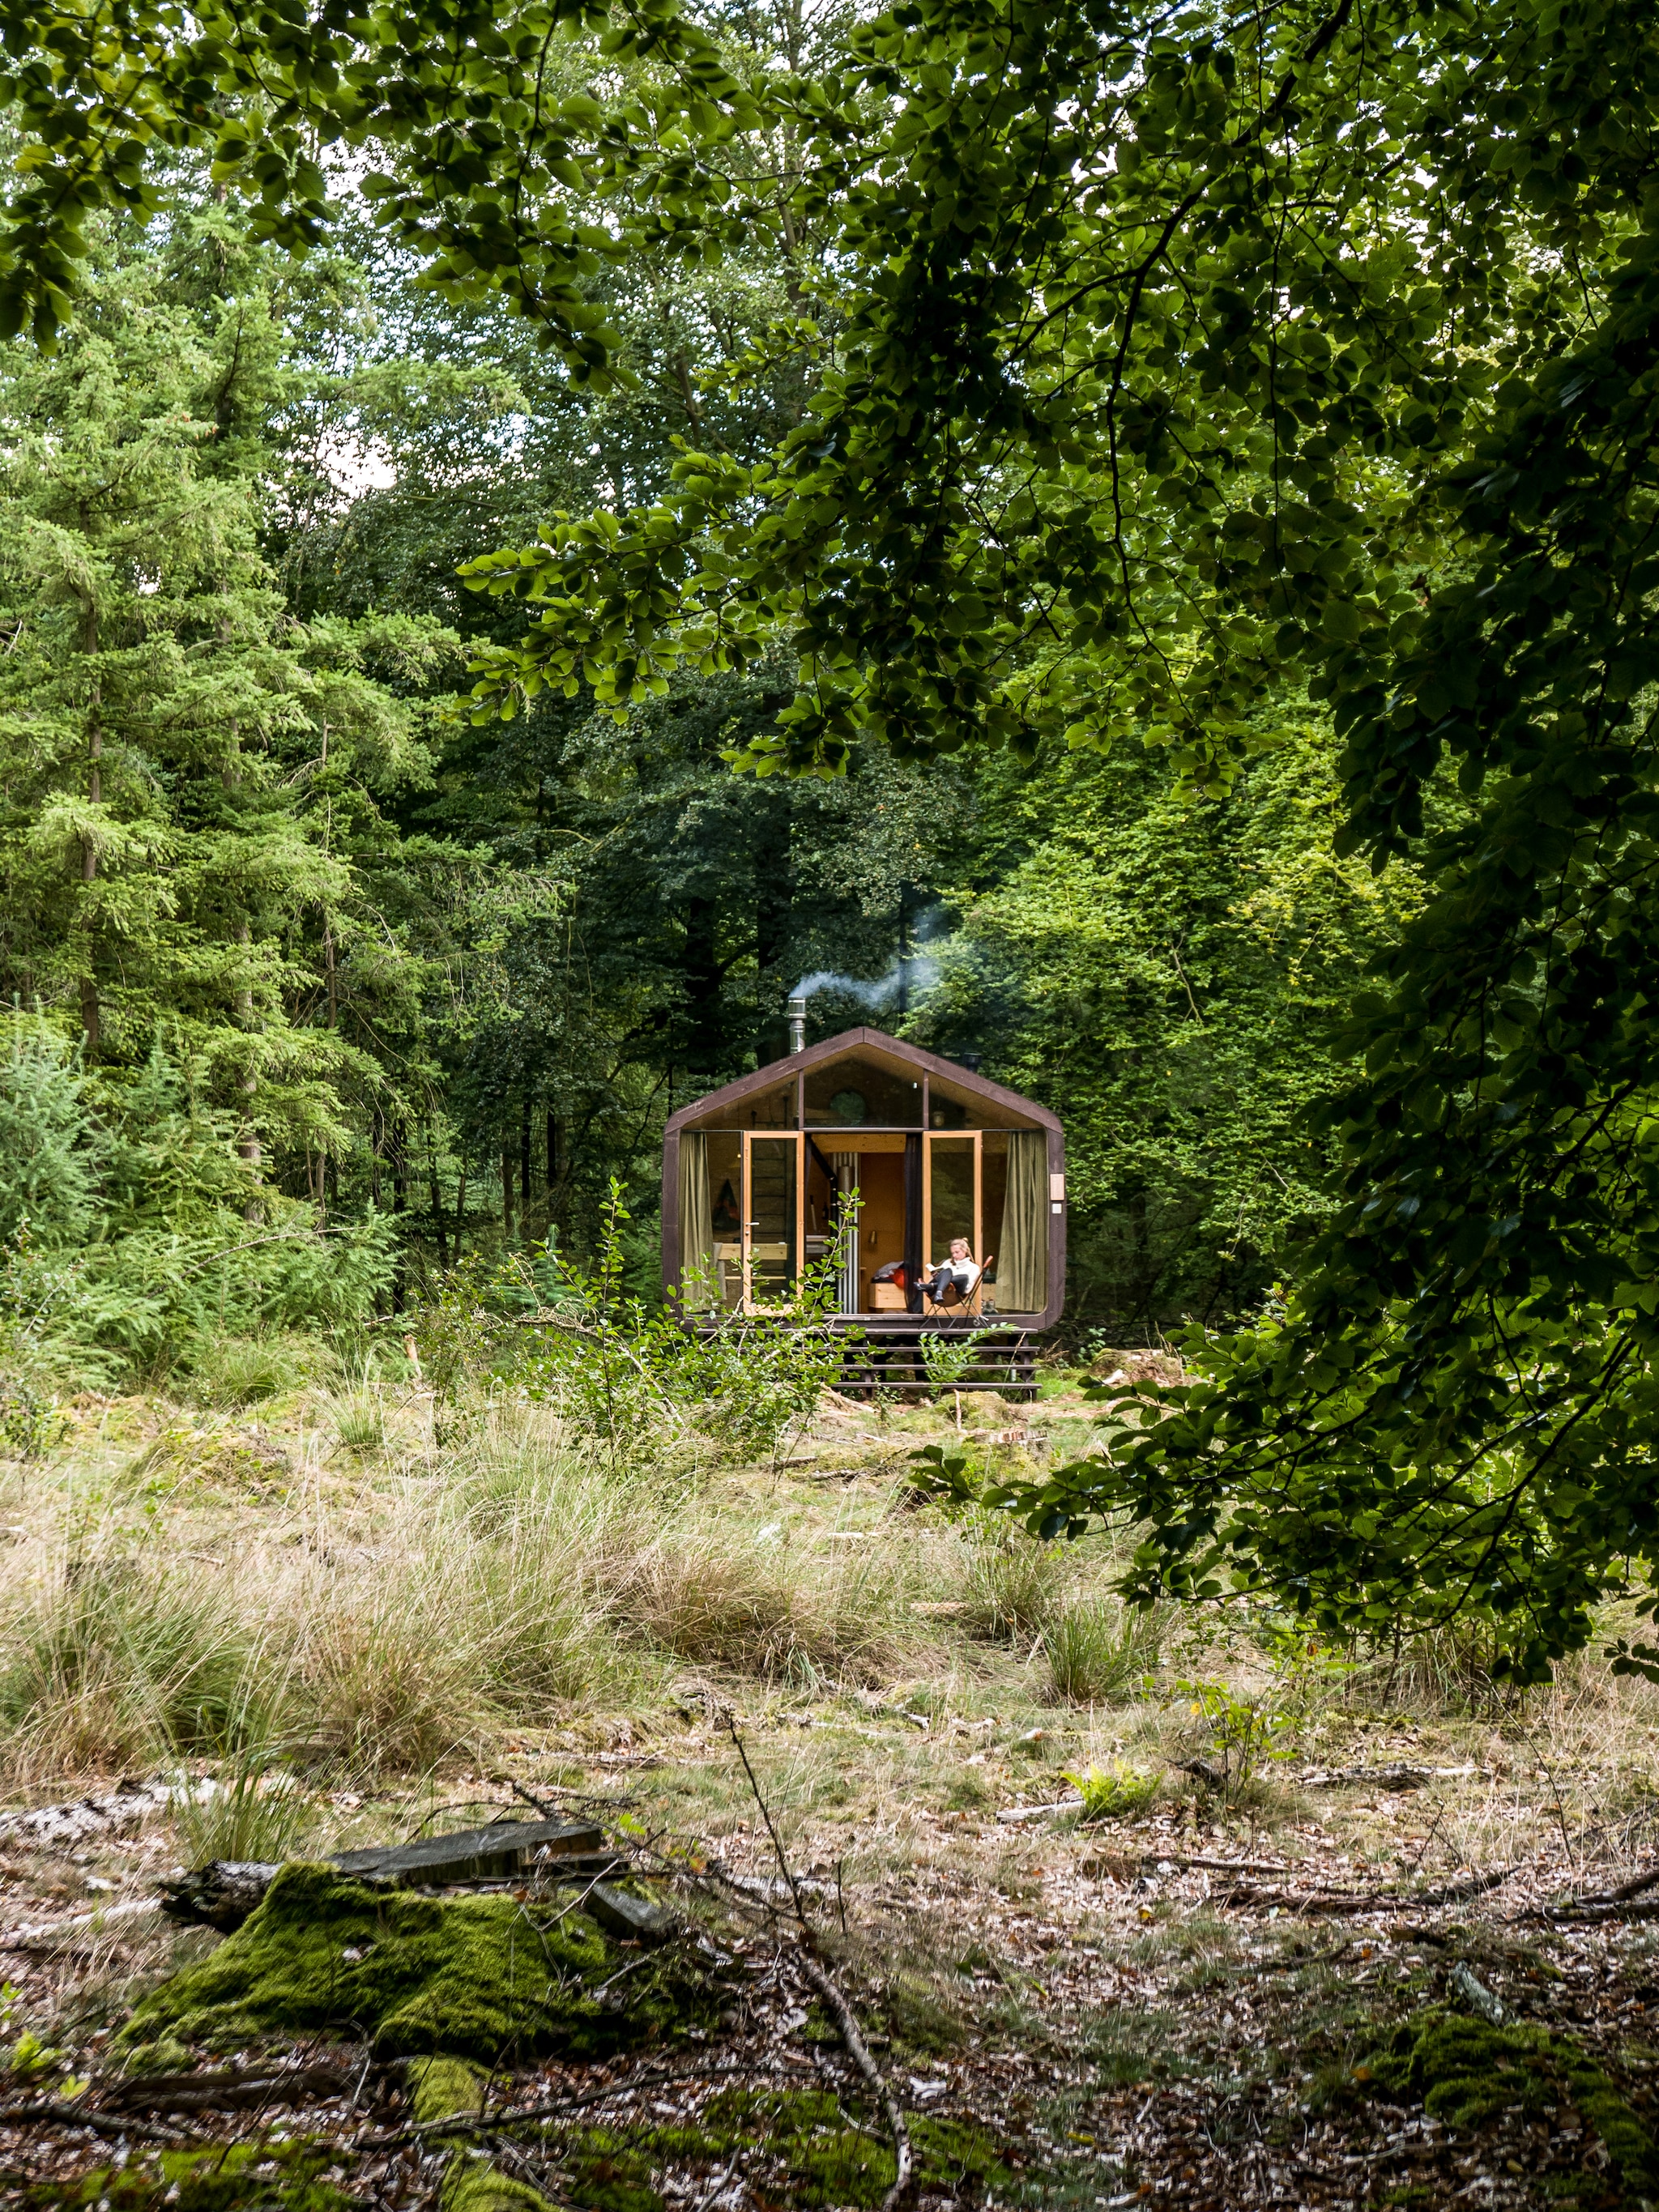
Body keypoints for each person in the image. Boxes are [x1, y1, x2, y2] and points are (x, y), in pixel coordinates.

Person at [925, 1238, 976, 1307]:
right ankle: (938, 1292)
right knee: (947, 1271)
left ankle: (933, 1285)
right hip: (935, 1293)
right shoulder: (948, 1262)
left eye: (957, 1252)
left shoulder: (973, 1267)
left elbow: (967, 1289)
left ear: (965, 1251)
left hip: (955, 1295)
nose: (954, 1255)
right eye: (953, 1253)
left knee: (964, 1277)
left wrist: (950, 1284)